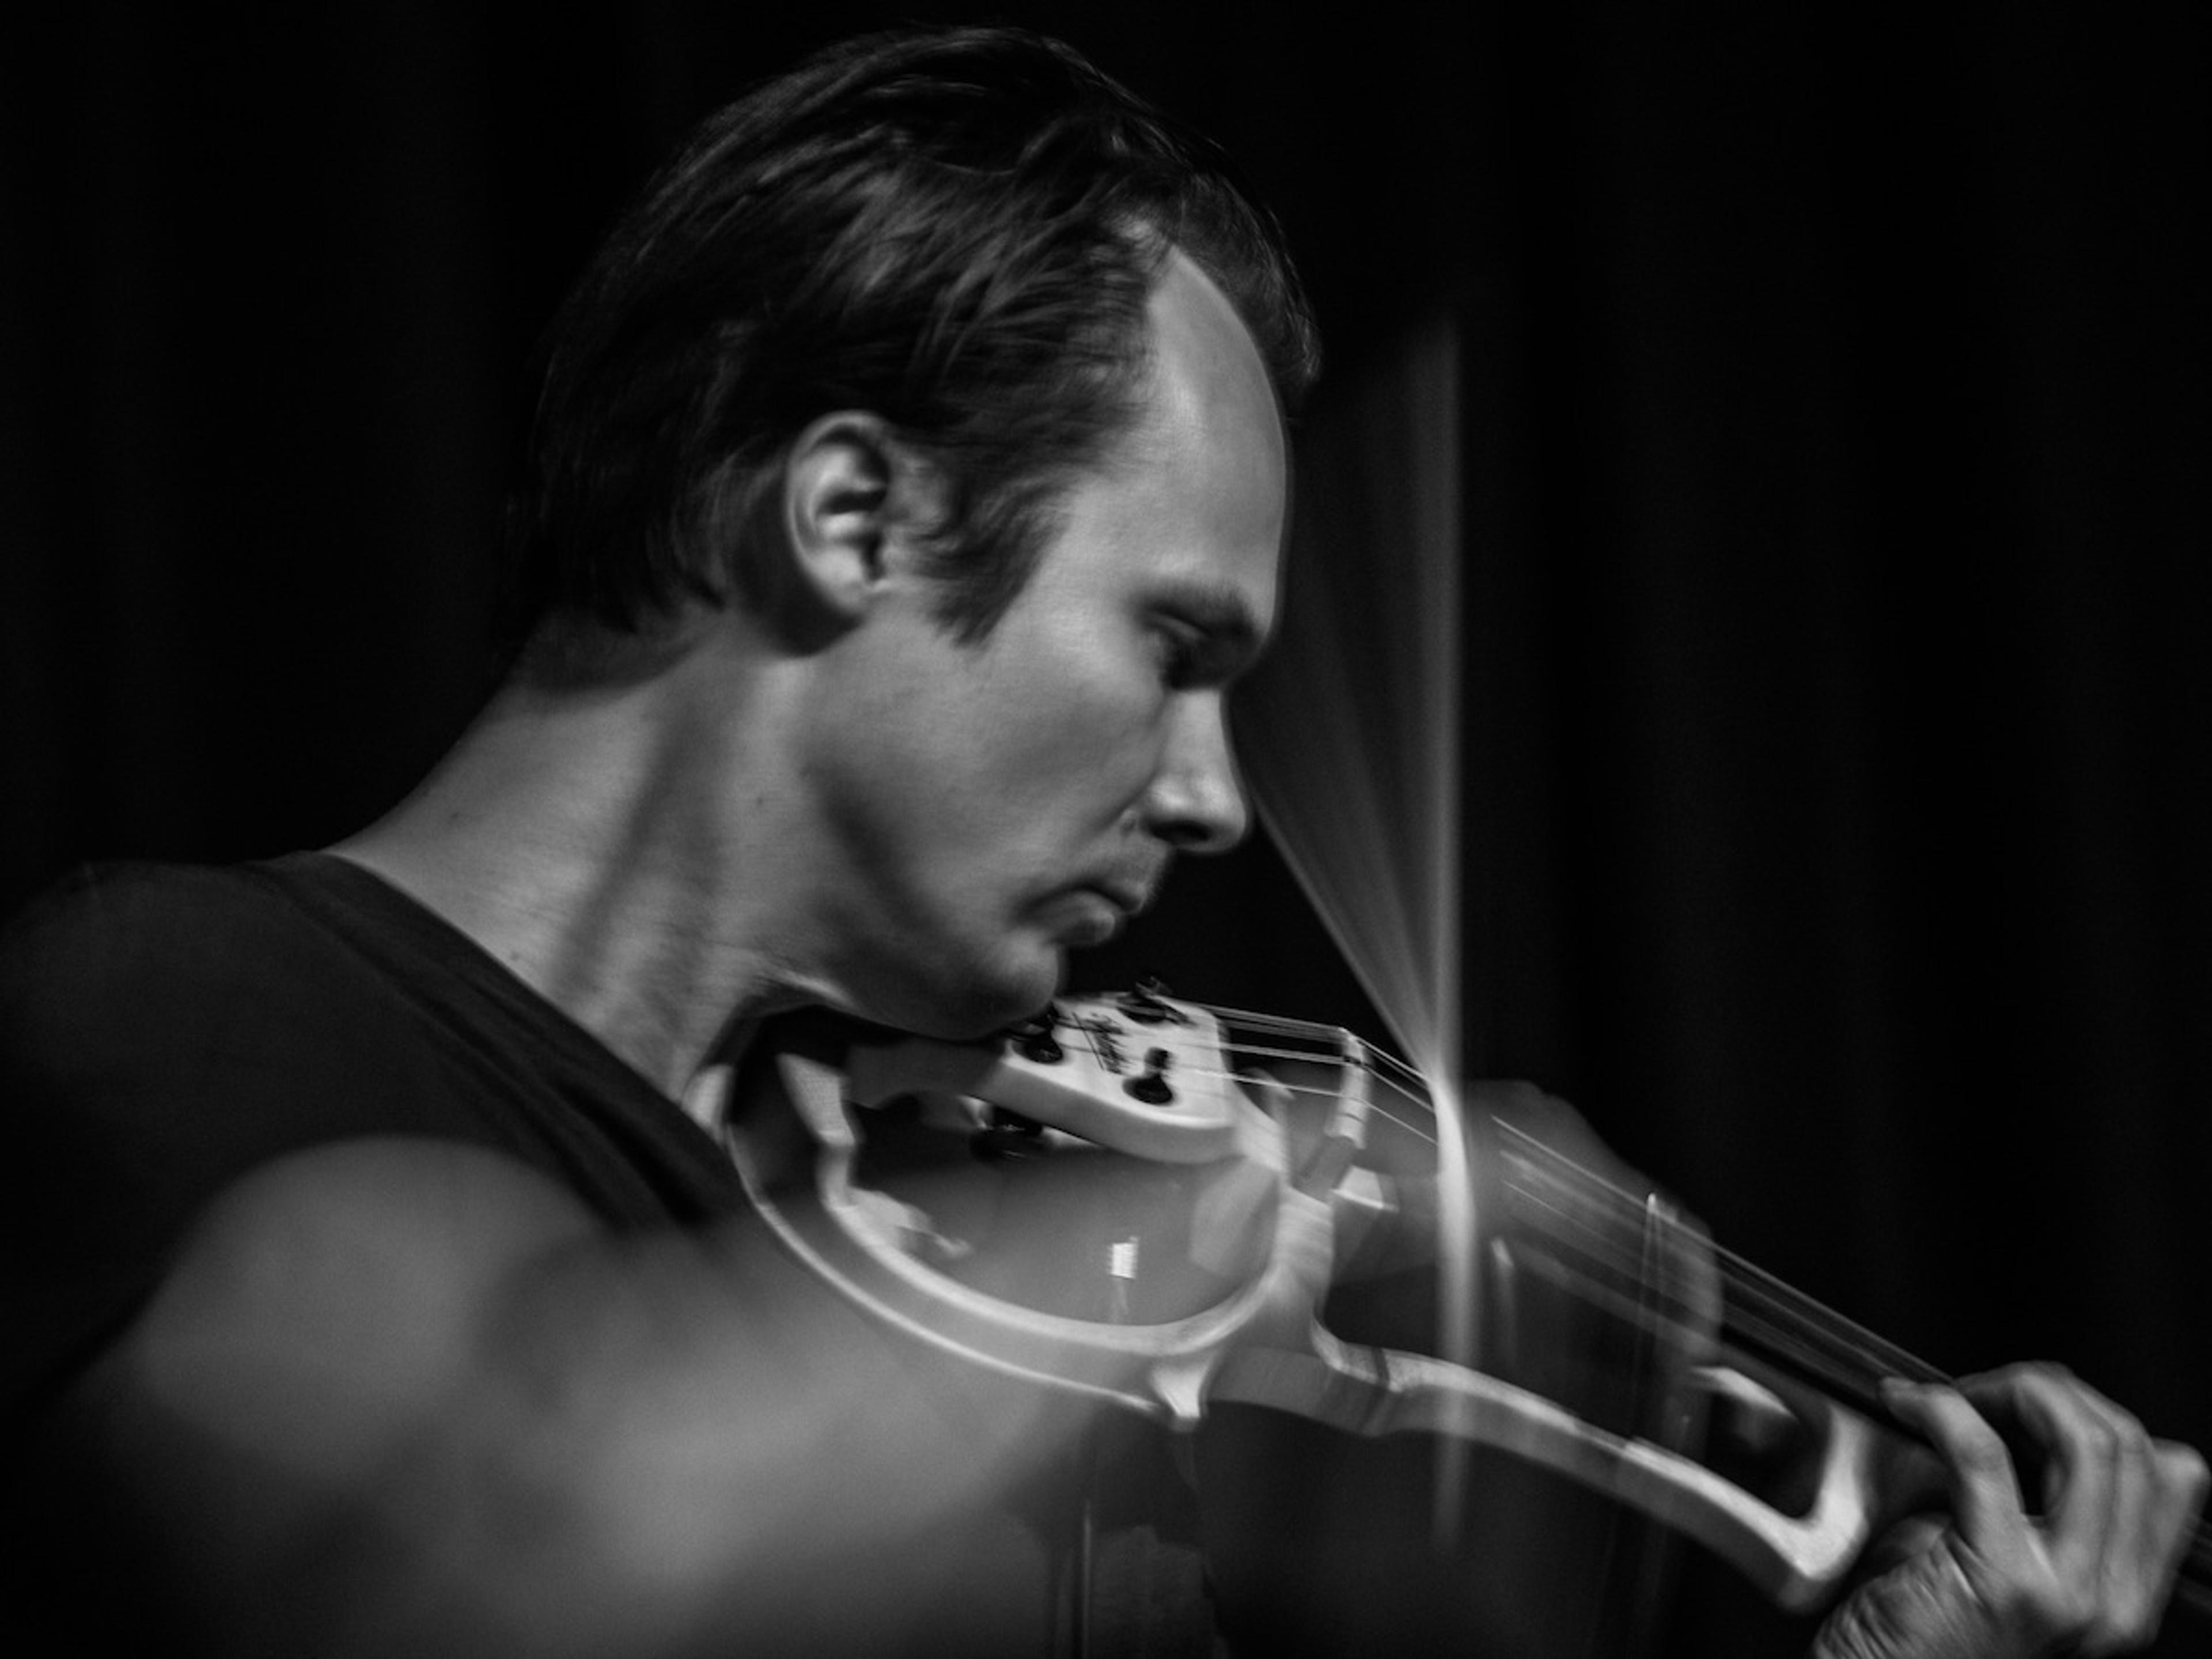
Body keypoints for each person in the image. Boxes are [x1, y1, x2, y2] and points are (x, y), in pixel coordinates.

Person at [0, 24, 2200, 1659]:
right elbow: (477, 1551)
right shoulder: (169, 1013)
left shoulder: (931, 1253)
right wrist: (1215, 1247)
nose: (1215, 793)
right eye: (1171, 642)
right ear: (852, 516)